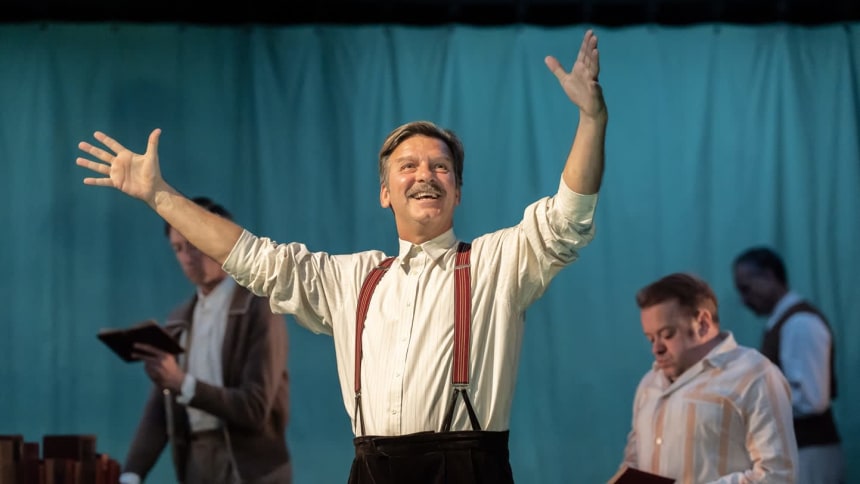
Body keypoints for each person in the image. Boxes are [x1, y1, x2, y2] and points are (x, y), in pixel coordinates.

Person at [76, 29, 607, 484]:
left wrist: (590, 120)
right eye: (408, 165)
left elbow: (566, 221)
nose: (424, 174)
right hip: (371, 467)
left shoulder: (496, 263)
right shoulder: (352, 280)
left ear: (459, 191)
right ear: (385, 192)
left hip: (469, 466)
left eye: (440, 166)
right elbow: (251, 257)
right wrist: (160, 196)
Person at [119, 196, 292, 484]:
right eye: (178, 248)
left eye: (195, 243)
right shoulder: (178, 320)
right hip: (196, 463)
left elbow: (255, 407)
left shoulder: (258, 308)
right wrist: (132, 472)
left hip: (252, 468)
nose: (188, 256)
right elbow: (160, 406)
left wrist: (181, 383)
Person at [620, 272, 798, 483]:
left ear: (702, 323)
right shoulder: (650, 383)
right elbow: (634, 461)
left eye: (667, 335)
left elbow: (778, 475)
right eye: (650, 339)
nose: (656, 349)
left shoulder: (754, 376)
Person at [733, 247, 843, 484]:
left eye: (746, 288)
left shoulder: (800, 324)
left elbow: (812, 399)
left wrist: (752, 402)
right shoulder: (783, 323)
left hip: (809, 455)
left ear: (769, 276)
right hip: (798, 455)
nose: (744, 299)